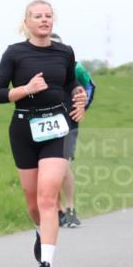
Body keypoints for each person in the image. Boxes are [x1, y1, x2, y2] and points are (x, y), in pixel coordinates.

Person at [0, 0, 86, 267]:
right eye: (38, 16)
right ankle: (39, 229)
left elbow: (71, 85)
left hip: (57, 127)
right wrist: (26, 89)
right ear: (27, 22)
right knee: (33, 202)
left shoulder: (64, 52)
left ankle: (46, 266)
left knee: (47, 197)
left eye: (48, 16)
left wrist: (80, 99)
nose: (44, 20)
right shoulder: (14, 53)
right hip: (23, 128)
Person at [49, 33, 95, 228]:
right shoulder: (36, 65)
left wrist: (82, 107)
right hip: (43, 122)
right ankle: (57, 209)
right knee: (48, 168)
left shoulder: (76, 67)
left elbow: (90, 87)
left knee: (63, 165)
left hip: (69, 122)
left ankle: (70, 209)